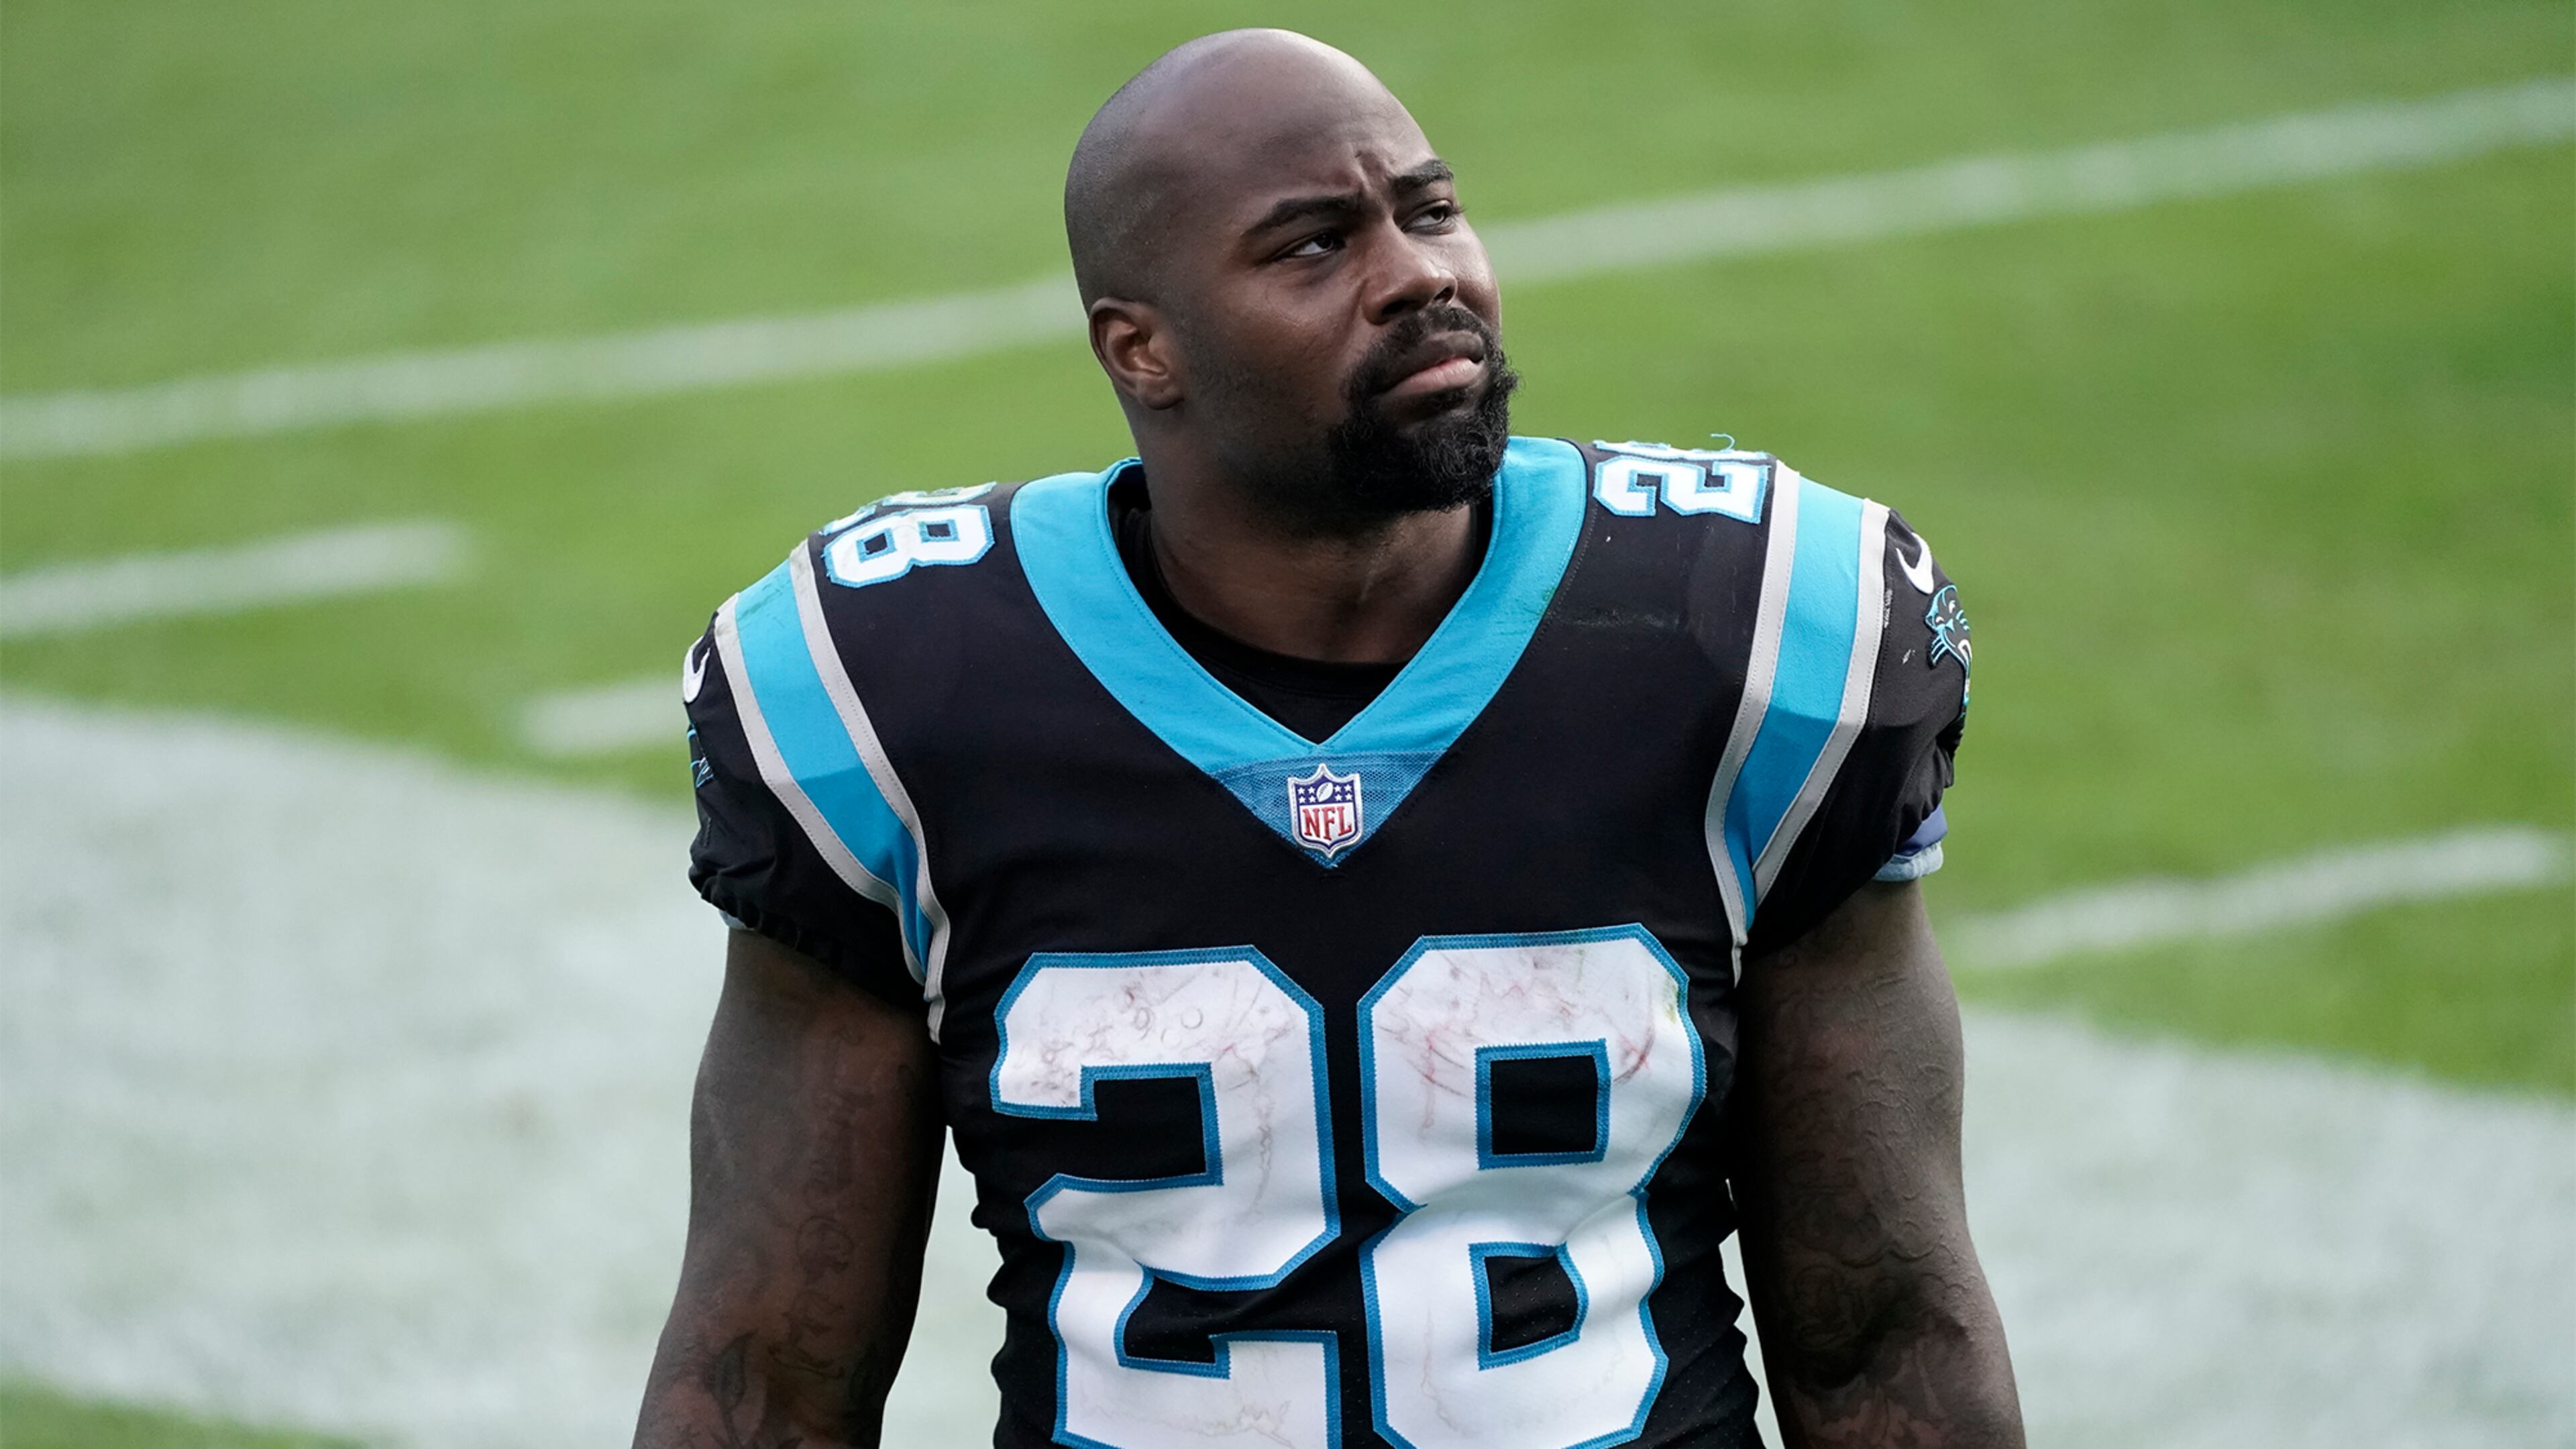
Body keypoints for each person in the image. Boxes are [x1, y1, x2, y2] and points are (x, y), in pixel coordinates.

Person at [636, 28, 2021, 1449]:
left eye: (1430, 209)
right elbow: (766, 1377)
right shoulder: (891, 694)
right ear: (1142, 347)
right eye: (1312, 246)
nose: (1422, 276)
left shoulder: (1747, 633)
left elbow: (1885, 1328)